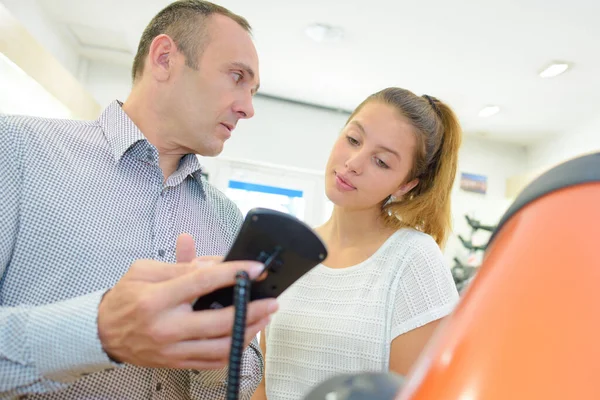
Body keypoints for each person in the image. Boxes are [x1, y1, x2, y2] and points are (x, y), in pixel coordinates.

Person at [0, 1, 279, 399]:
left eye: (252, 91)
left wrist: (216, 350)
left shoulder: (228, 218)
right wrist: (99, 331)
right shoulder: (16, 149)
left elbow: (241, 378)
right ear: (164, 58)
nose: (247, 108)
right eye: (236, 77)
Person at [252, 87, 462, 400]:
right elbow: (267, 383)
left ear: (405, 185)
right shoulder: (289, 248)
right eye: (352, 139)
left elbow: (417, 394)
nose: (353, 162)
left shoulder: (414, 259)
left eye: (380, 161)